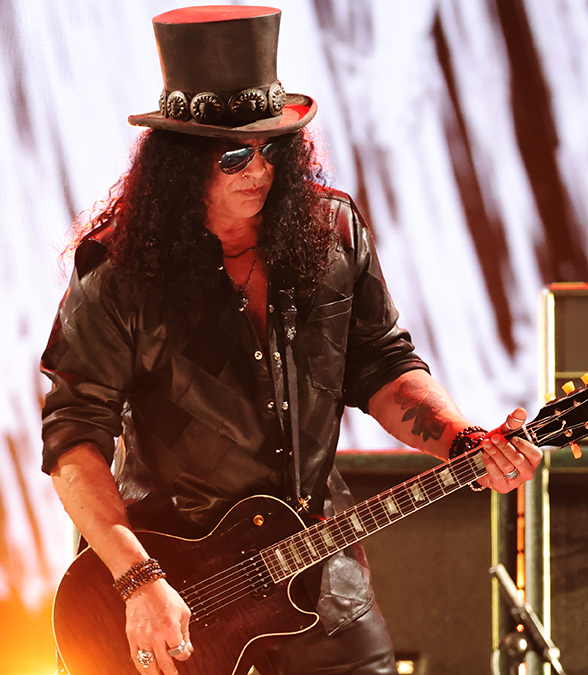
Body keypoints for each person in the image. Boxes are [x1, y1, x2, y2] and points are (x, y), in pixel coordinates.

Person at [40, 6, 543, 675]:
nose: (259, 169)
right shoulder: (118, 271)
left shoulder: (333, 232)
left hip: (322, 582)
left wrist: (462, 439)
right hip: (176, 591)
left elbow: (383, 365)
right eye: (234, 155)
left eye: (273, 148)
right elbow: (73, 440)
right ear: (180, 164)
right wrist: (137, 579)